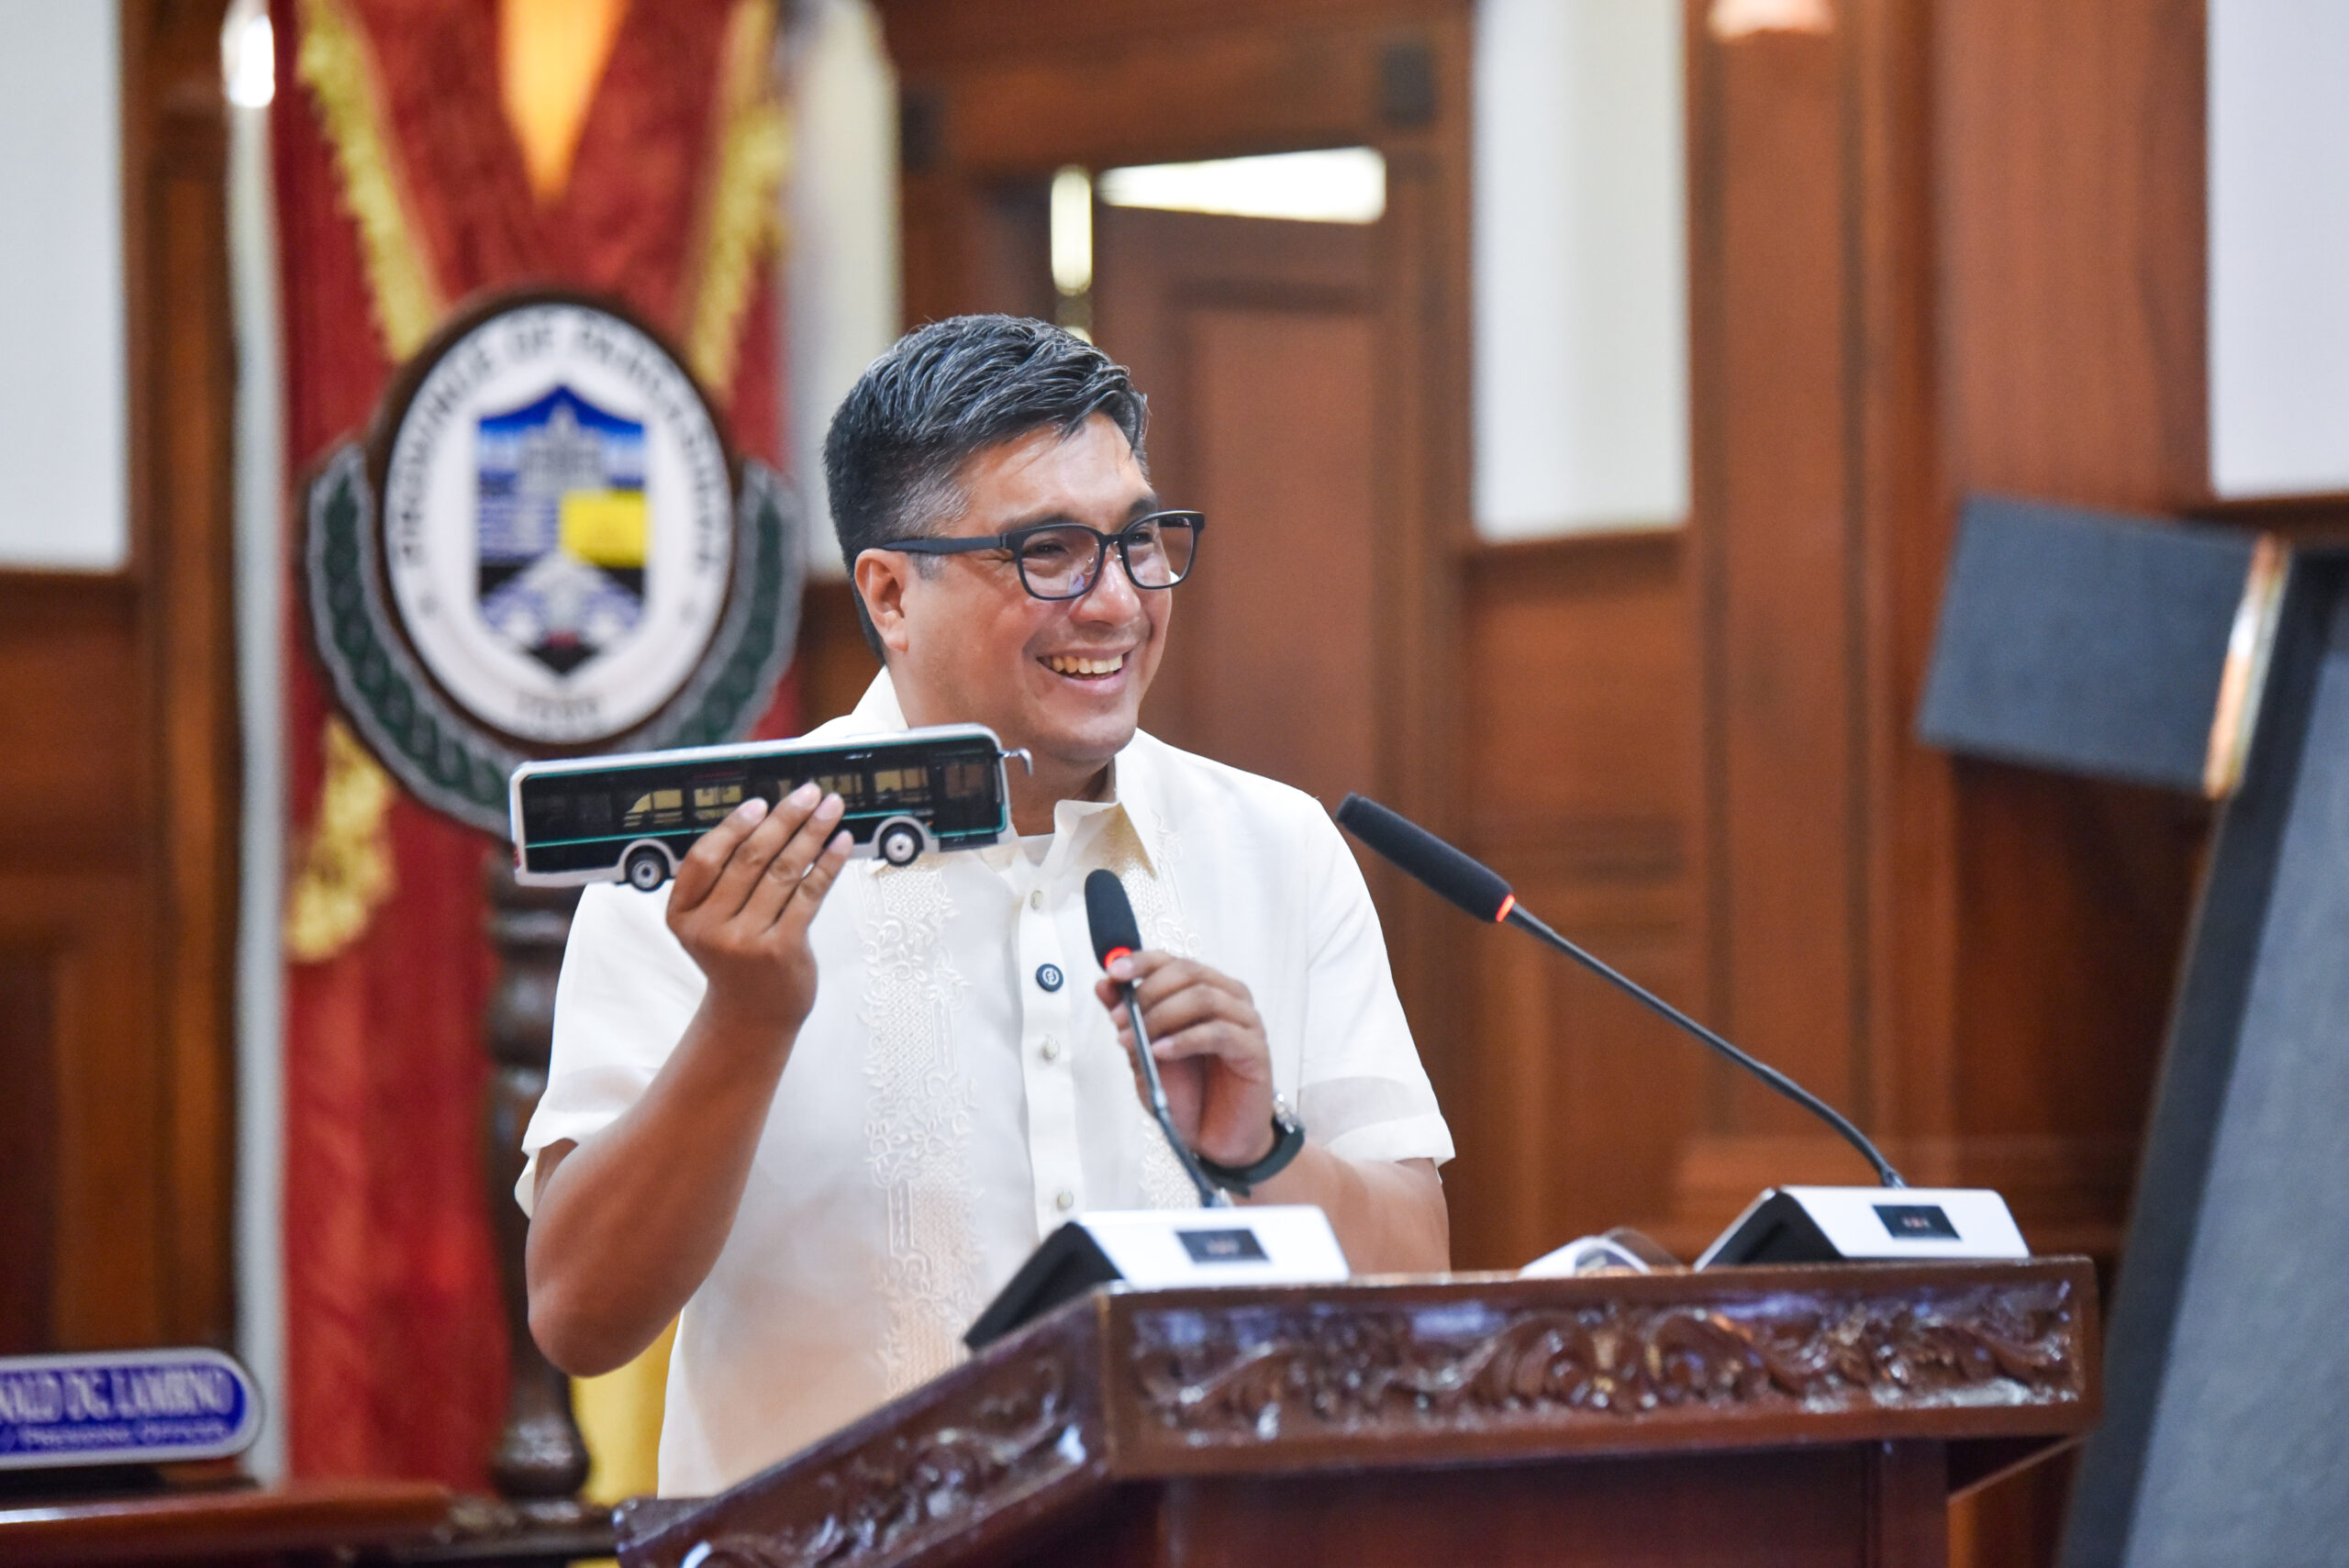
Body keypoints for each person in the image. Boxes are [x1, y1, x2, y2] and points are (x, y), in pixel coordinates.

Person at [519, 315, 1453, 1494]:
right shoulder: (706, 867)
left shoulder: (1275, 847)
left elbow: (1419, 1285)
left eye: (1138, 539)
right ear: (891, 593)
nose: (1116, 602)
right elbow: (580, 1317)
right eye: (1049, 552)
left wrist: (1261, 1150)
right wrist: (746, 1021)